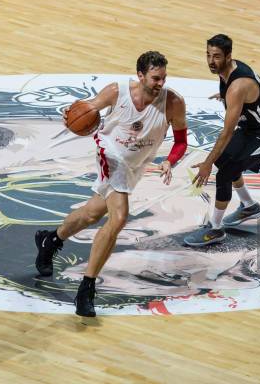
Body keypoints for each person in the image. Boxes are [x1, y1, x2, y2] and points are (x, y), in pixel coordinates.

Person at [34, 51, 188, 317]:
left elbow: (181, 140)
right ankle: (87, 288)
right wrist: (70, 115)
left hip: (135, 165)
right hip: (109, 152)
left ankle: (51, 240)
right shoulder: (117, 92)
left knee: (92, 213)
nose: (160, 83)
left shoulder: (174, 102)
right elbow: (87, 109)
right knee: (119, 218)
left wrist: (170, 161)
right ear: (140, 75)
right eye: (155, 78)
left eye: (163, 78)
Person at [185, 34, 260, 246]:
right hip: (251, 127)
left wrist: (207, 163)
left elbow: (227, 132)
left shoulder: (237, 86)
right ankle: (249, 206)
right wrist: (227, 97)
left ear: (229, 56)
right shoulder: (228, 73)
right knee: (224, 162)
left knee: (224, 173)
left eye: (216, 57)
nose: (211, 62)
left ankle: (214, 229)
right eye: (208, 55)